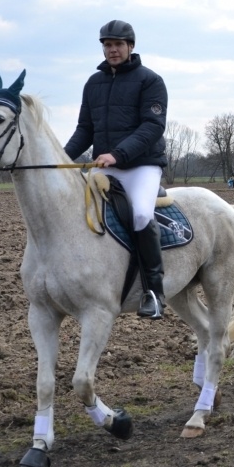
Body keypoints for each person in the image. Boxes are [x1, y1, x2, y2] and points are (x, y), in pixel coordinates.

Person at [64, 20, 168, 319]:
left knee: (141, 214)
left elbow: (152, 127)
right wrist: (62, 158)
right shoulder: (93, 83)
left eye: (118, 44)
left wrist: (118, 154)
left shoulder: (150, 80)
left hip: (141, 165)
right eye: (107, 45)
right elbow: (85, 129)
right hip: (106, 165)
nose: (112, 50)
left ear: (130, 46)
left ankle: (153, 293)